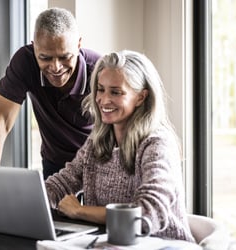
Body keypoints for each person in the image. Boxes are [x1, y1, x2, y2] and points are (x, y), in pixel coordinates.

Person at [0, 7, 100, 216]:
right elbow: (0, 121)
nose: (56, 67)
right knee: (50, 230)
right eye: (45, 58)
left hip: (96, 165)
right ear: (34, 48)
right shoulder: (25, 62)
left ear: (79, 44)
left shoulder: (98, 70)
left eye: (64, 57)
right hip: (55, 165)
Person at [44, 50, 195, 242]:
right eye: (100, 89)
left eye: (116, 92)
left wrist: (80, 211)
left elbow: (148, 214)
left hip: (164, 244)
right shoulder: (97, 142)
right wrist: (26, 200)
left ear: (141, 97)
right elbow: (62, 183)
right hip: (112, 244)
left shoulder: (157, 144)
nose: (104, 100)